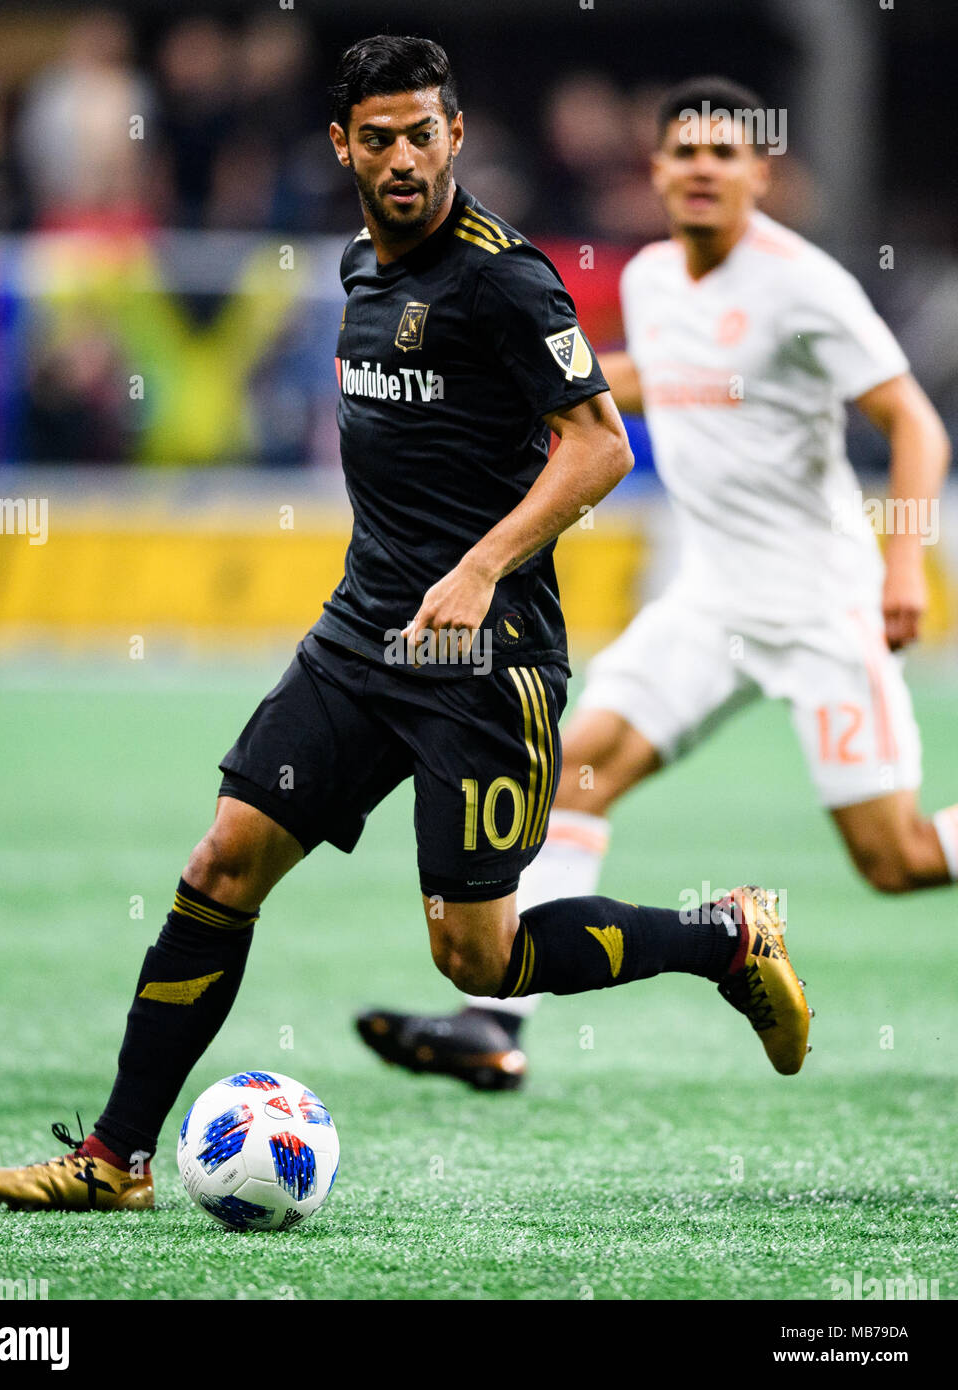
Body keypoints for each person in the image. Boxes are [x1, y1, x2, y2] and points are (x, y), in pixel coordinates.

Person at [0, 48, 810, 1213]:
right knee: (221, 863)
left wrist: (474, 569)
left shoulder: (505, 281)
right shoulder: (359, 267)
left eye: (423, 134)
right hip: (362, 637)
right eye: (380, 138)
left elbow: (599, 446)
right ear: (342, 147)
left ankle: (721, 938)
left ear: (454, 134)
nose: (404, 158)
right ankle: (113, 1159)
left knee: (477, 956)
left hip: (484, 657)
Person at [356, 74, 954, 1093]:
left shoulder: (802, 285)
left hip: (820, 603)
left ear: (758, 172)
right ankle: (493, 1024)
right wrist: (527, 387)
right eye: (684, 153)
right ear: (658, 171)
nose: (702, 170)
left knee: (891, 859)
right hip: (708, 599)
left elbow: (912, 422)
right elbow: (658, 375)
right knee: (578, 770)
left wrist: (903, 561)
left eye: (724, 154)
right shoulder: (650, 281)